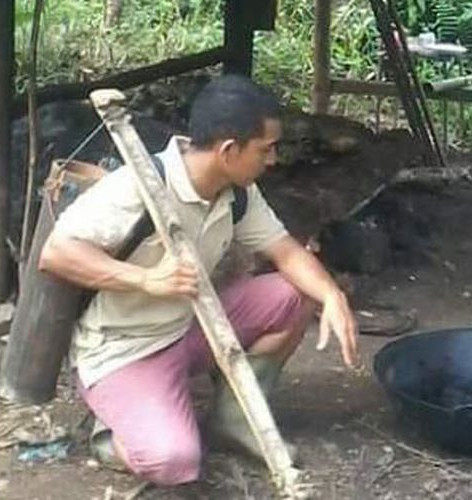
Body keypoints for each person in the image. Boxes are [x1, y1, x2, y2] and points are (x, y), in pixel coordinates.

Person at [38, 75, 358, 485]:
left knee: (297, 292)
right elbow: (56, 254)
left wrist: (332, 295)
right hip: (123, 348)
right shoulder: (138, 187)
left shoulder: (237, 190)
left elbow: (286, 251)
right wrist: (146, 280)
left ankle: (234, 419)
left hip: (191, 324)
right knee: (174, 461)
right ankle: (111, 433)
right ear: (229, 150)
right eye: (266, 149)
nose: (273, 160)